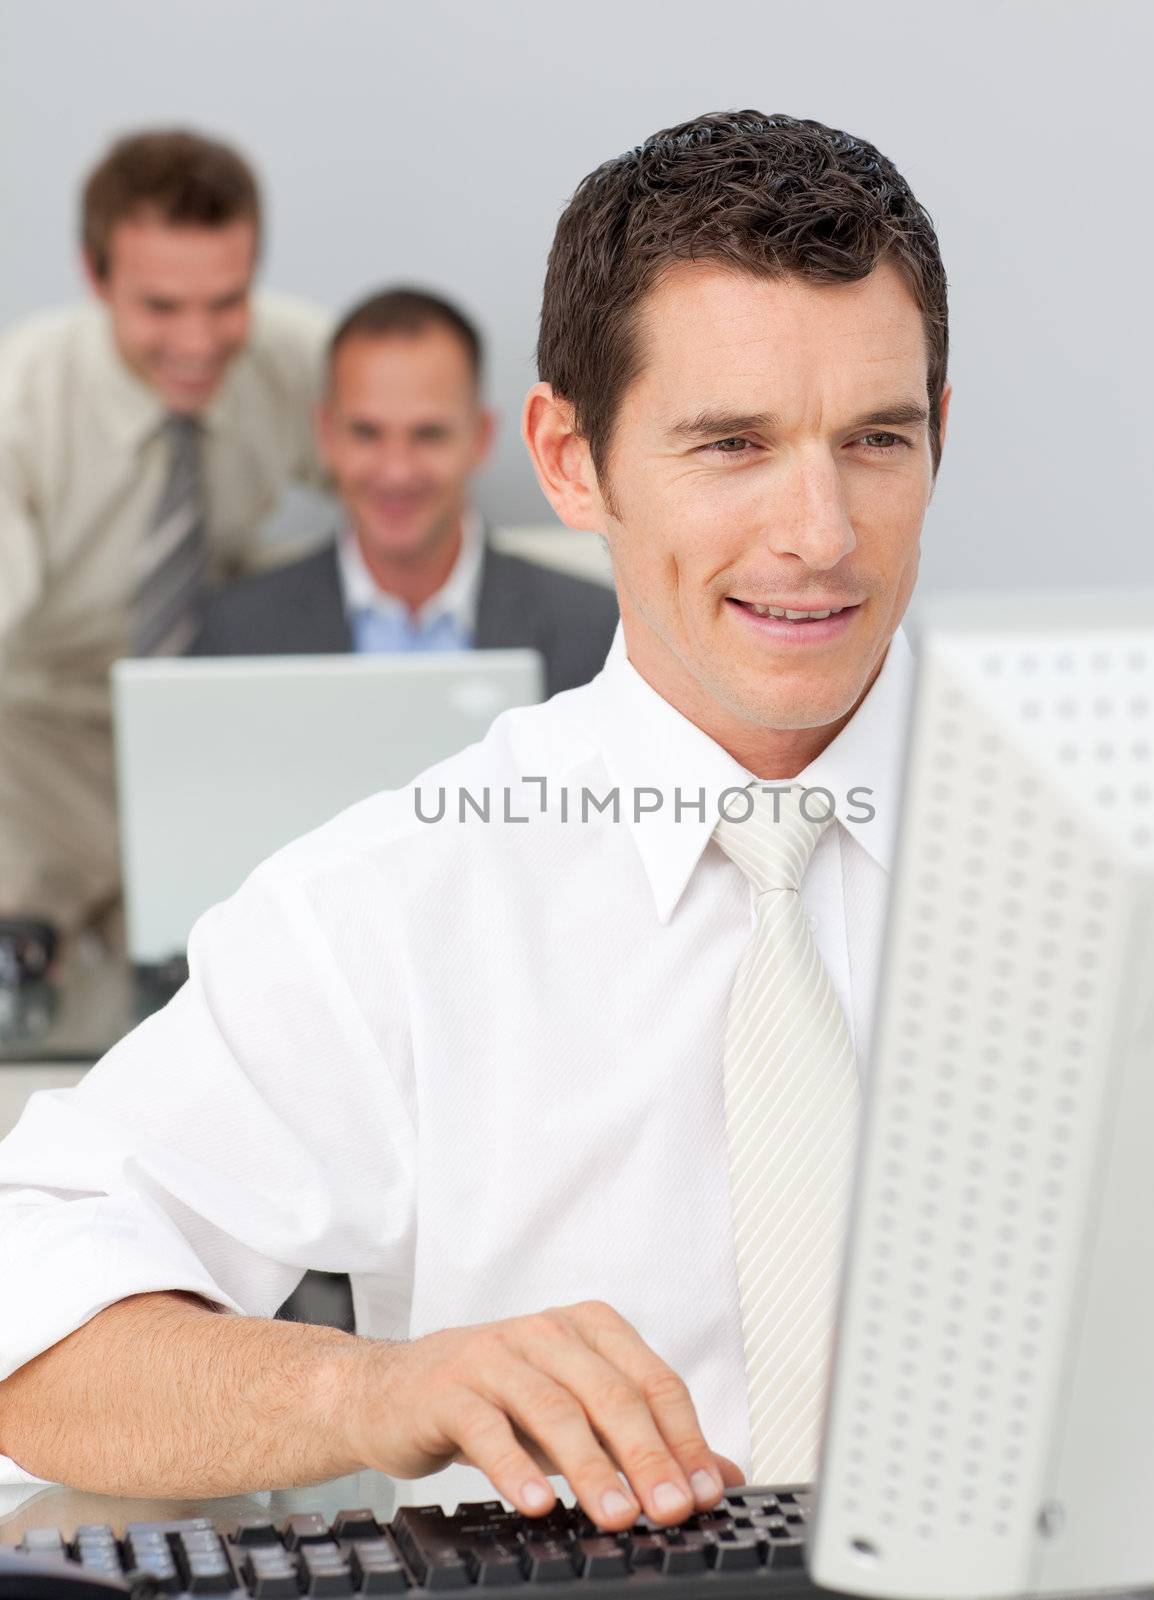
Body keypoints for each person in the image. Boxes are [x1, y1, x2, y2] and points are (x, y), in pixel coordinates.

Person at [0, 112, 950, 1523]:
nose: (818, 532)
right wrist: (366, 1391)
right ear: (570, 463)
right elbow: (32, 1314)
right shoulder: (398, 902)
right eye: (731, 444)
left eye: (876, 437)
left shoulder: (1143, 857)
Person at [0, 128, 330, 952]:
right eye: (160, 307)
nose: (197, 342)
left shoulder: (290, 356)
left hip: (209, 731)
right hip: (40, 743)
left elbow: (405, 476)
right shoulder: (22, 398)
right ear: (96, 279)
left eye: (226, 301)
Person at [191, 287, 617, 697]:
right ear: (325, 433)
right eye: (366, 432)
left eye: (429, 434)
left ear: (480, 438)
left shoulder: (600, 634)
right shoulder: (237, 633)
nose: (396, 471)